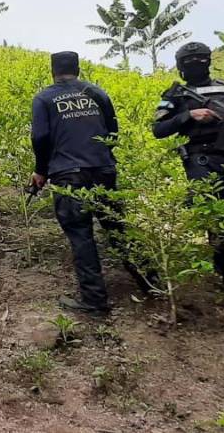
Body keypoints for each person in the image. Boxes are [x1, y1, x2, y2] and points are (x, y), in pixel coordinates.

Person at [30, 51, 154, 315]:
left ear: (52, 71)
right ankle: (152, 283)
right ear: (78, 69)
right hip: (103, 170)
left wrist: (41, 170)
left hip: (68, 174)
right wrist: (100, 158)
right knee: (117, 227)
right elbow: (112, 131)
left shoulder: (44, 98)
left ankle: (95, 300)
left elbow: (40, 136)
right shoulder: (97, 93)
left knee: (81, 235)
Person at [152, 41, 224, 286]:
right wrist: (189, 116)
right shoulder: (175, 95)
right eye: (189, 62)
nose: (195, 65)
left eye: (199, 60)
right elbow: (159, 129)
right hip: (201, 161)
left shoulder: (222, 87)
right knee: (214, 217)